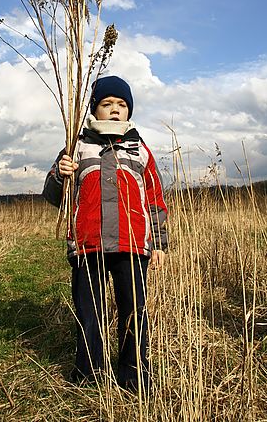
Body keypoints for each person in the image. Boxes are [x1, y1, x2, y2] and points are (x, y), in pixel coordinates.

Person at [42, 75, 168, 392]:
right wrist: (60, 173)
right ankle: (89, 373)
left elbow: (154, 200)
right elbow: (53, 195)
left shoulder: (140, 150)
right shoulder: (76, 146)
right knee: (89, 312)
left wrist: (161, 243)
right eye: (107, 104)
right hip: (88, 245)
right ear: (94, 110)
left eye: (121, 105)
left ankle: (134, 375)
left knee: (133, 312)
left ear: (129, 111)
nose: (114, 110)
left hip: (132, 244)